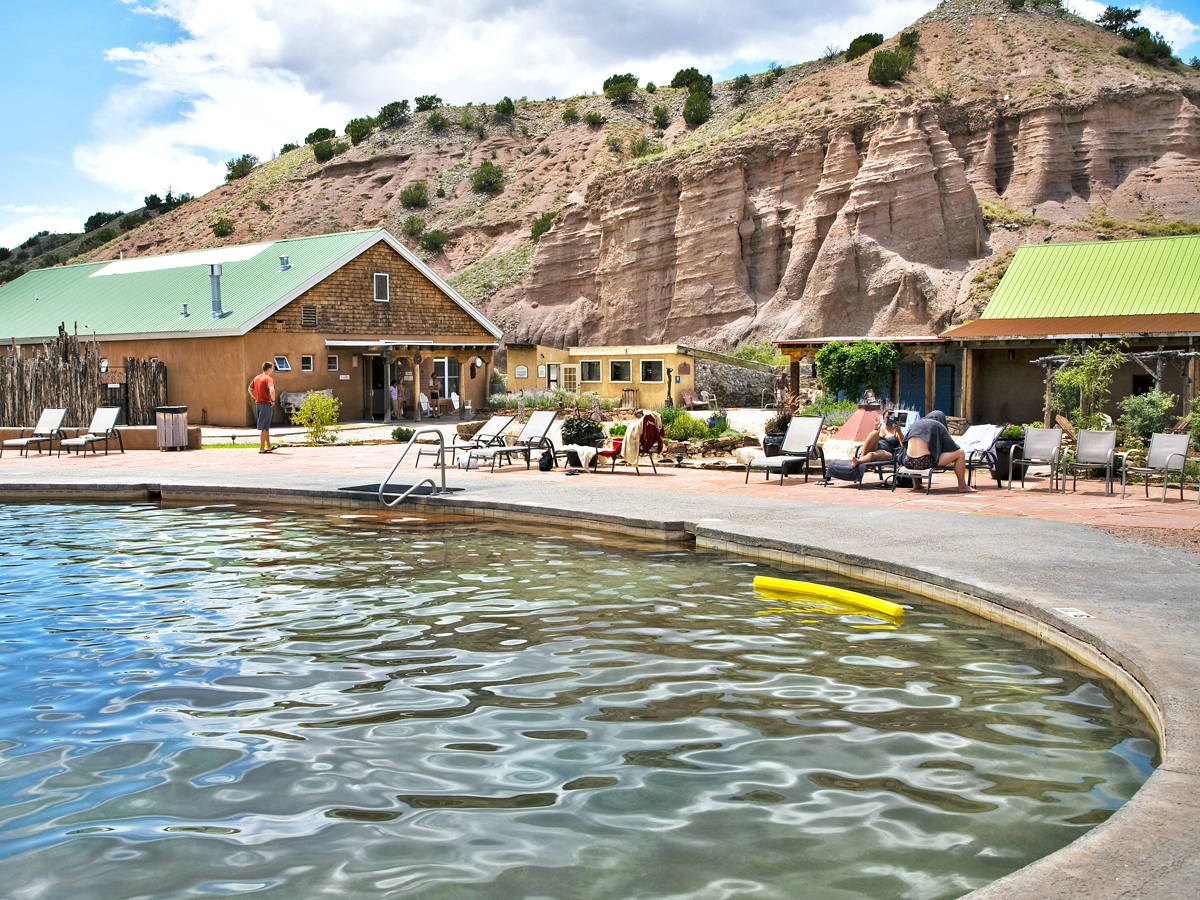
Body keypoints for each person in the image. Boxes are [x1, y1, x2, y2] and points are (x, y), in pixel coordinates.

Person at [900, 410, 976, 492]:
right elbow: (951, 446)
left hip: (908, 462)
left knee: (917, 454)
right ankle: (962, 486)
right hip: (924, 462)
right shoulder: (937, 425)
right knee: (960, 453)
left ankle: (916, 484)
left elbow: (905, 444)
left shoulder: (915, 424)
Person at [248, 361, 276, 453]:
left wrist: (255, 397)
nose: (272, 370)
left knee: (266, 426)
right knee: (264, 427)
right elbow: (271, 389)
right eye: (272, 368)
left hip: (258, 404)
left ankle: (269, 446)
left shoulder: (256, 378)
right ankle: (261, 448)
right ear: (268, 369)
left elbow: (250, 389)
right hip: (265, 404)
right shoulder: (268, 379)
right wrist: (273, 400)